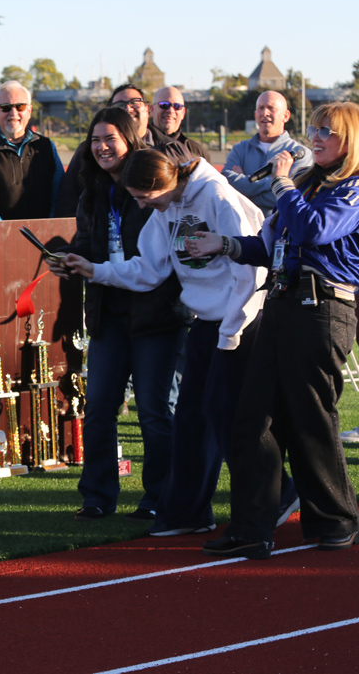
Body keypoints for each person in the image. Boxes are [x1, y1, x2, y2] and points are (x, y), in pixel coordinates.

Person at [61, 150, 270, 537]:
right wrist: (96, 270)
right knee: (191, 421)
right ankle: (187, 513)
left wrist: (231, 331)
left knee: (231, 422)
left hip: (242, 322)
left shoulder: (218, 197)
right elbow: (149, 268)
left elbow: (252, 268)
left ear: (166, 182)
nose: (142, 204)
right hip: (208, 324)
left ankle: (275, 499)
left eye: (144, 196)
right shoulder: (164, 210)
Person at [193, 102, 359, 559]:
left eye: (328, 131)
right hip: (281, 305)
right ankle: (251, 525)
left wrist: (284, 181)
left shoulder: (351, 188)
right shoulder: (307, 184)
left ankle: (336, 519)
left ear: (350, 141)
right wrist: (224, 244)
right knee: (253, 418)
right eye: (315, 128)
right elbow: (272, 245)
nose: (316, 137)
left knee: (310, 418)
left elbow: (312, 228)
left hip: (323, 310)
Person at [47, 108, 188, 522]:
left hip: (156, 315)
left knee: (153, 410)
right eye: (95, 140)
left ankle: (160, 496)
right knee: (99, 407)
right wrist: (71, 259)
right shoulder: (91, 190)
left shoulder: (151, 185)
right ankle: (97, 495)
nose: (102, 147)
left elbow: (157, 263)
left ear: (130, 140)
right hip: (108, 312)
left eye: (111, 138)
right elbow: (90, 244)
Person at [55, 83, 196, 218]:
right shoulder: (88, 153)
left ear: (148, 109)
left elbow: (193, 192)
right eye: (120, 105)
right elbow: (69, 202)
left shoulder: (171, 149)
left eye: (134, 102)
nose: (128, 108)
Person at [0, 81, 63, 221]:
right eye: (5, 107)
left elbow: (60, 195)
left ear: (29, 110)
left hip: (43, 238)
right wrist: (5, 230)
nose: (13, 113)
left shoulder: (46, 146)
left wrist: (47, 227)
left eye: (20, 106)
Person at [223, 91, 312, 216]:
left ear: (286, 116)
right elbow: (226, 184)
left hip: (279, 232)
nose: (265, 113)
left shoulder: (301, 154)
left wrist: (245, 185)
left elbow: (286, 197)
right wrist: (275, 181)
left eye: (271, 108)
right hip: (242, 230)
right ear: (255, 115)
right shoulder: (239, 149)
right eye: (261, 108)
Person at [151, 86, 209, 161]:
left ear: (183, 113)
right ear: (152, 109)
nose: (170, 110)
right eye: (164, 105)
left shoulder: (196, 152)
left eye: (177, 106)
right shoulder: (140, 145)